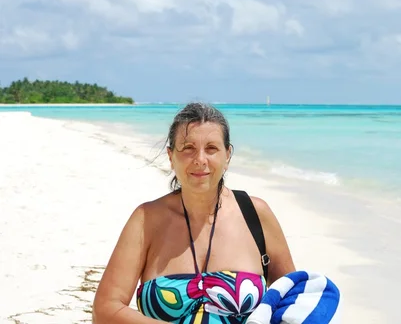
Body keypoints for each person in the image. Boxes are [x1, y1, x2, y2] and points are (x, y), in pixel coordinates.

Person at [92, 103, 295, 324]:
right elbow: (105, 310)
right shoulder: (146, 220)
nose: (200, 159)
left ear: (227, 155)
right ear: (171, 156)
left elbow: (294, 302)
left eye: (211, 148)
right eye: (188, 148)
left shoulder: (255, 215)